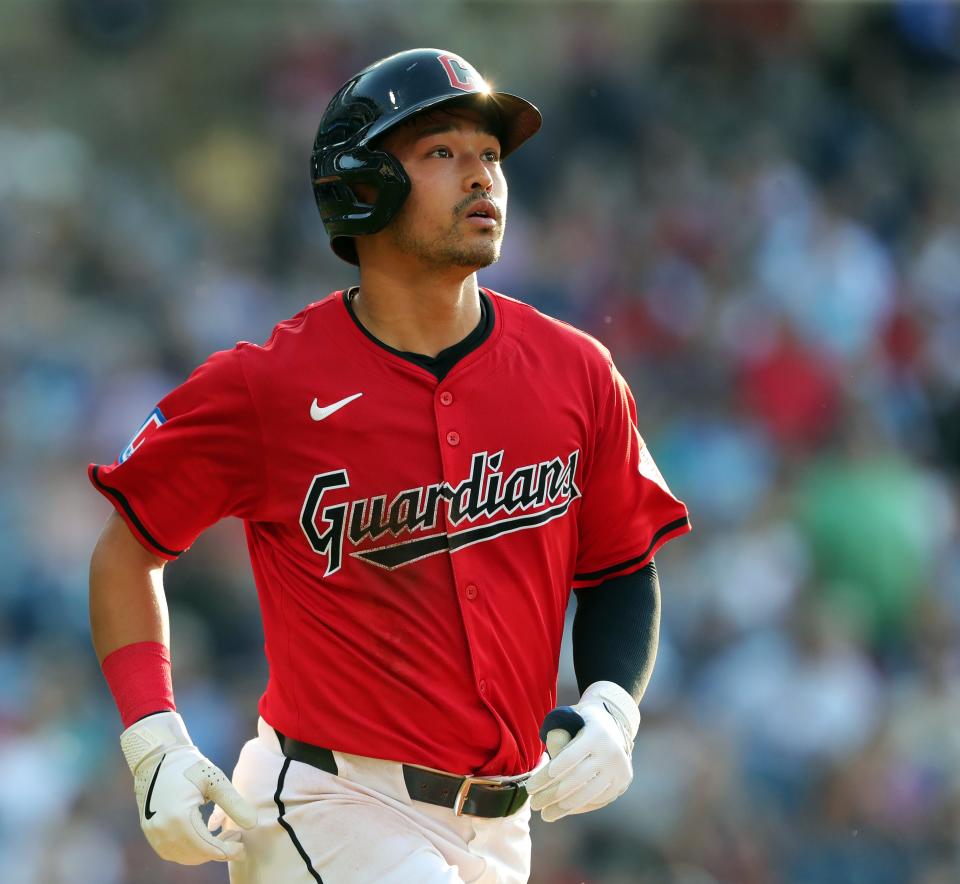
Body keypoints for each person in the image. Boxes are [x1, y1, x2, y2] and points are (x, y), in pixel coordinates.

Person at [88, 48, 691, 884]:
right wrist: (152, 738)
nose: (482, 177)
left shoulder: (576, 369)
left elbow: (622, 564)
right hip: (330, 805)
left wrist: (613, 704)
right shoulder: (269, 385)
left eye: (489, 155)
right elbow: (128, 550)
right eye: (442, 152)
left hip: (502, 830)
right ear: (361, 183)